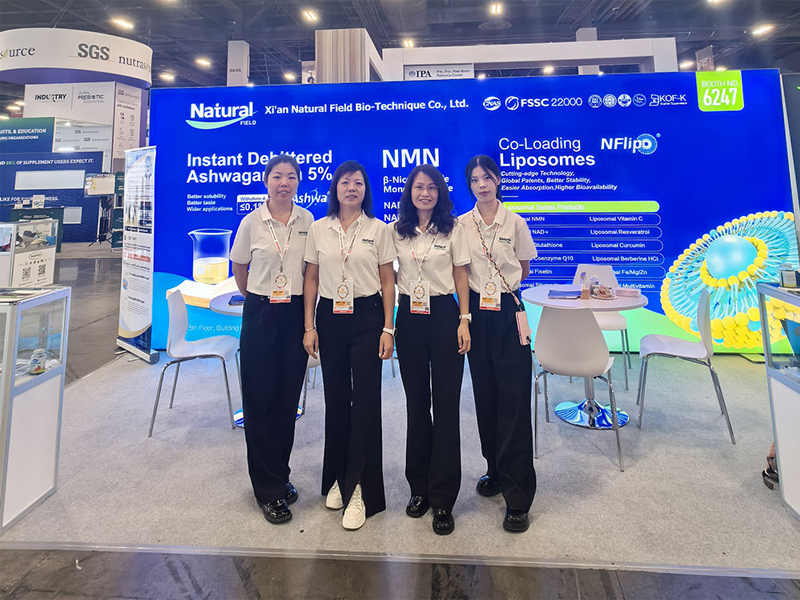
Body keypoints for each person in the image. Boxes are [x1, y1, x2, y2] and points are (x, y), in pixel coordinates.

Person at [303, 160, 396, 530]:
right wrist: (309, 326)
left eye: (358, 182)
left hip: (368, 317)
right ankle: (339, 477)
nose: (352, 188)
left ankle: (361, 488)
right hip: (330, 317)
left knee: (366, 402)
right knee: (337, 400)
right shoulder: (318, 228)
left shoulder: (378, 229)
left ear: (365, 189)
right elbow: (311, 279)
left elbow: (387, 282)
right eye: (345, 182)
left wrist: (388, 328)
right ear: (335, 189)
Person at [230, 154, 314, 525]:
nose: (284, 183)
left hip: (294, 313)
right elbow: (239, 267)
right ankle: (268, 491)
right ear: (266, 181)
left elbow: (310, 272)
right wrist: (258, 300)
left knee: (286, 401)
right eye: (277, 176)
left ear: (298, 182)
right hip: (261, 311)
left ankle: (280, 473)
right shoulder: (251, 222)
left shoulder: (307, 221)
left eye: (291, 177)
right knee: (260, 401)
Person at [459, 154, 538, 533]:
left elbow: (524, 267)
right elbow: (461, 271)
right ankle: (495, 468)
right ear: (469, 185)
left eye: (488, 178)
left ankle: (518, 496)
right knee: (486, 397)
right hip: (477, 312)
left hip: (508, 311)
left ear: (498, 181)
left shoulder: (515, 222)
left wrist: (501, 289)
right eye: (475, 180)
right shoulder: (462, 225)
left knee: (514, 399)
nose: (482, 185)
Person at [393, 164, 472, 536]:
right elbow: (386, 275)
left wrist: (464, 319)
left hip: (444, 315)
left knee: (446, 405)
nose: (424, 193)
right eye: (418, 187)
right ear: (409, 192)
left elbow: (461, 275)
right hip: (409, 316)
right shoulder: (396, 231)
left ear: (440, 192)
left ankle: (443, 499)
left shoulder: (453, 229)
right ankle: (419, 488)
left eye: (431, 187)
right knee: (416, 405)